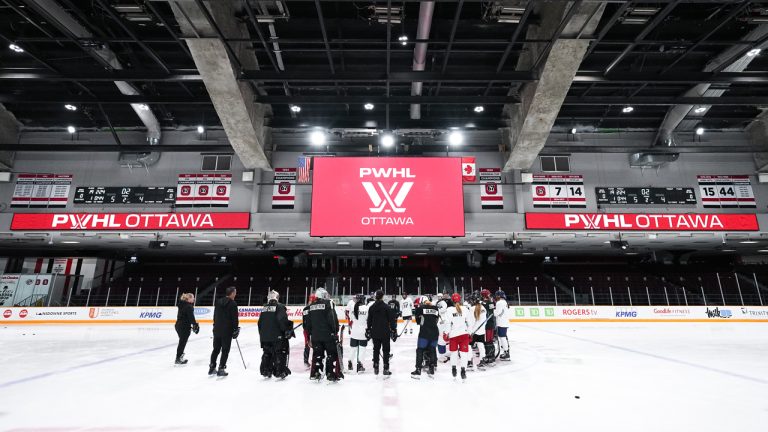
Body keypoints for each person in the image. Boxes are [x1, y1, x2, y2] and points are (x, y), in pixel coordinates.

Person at [305, 287, 343, 381]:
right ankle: (330, 373)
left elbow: (308, 323)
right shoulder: (328, 303)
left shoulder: (311, 306)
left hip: (315, 336)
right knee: (331, 354)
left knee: (318, 355)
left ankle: (317, 372)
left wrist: (309, 336)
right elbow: (333, 319)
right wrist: (335, 331)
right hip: (328, 336)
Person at [258, 290, 294, 379]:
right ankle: (280, 371)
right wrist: (287, 330)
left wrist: (262, 335)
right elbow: (282, 321)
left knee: (267, 353)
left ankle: (266, 370)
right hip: (277, 336)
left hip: (265, 336)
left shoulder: (264, 308)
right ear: (277, 298)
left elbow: (260, 323)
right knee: (280, 352)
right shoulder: (280, 307)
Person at [209, 286, 239, 377]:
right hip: (227, 331)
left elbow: (215, 315)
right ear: (232, 293)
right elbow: (234, 318)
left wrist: (215, 326)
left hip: (217, 329)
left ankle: (212, 367)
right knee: (225, 350)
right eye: (235, 292)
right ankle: (221, 368)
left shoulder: (218, 301)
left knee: (216, 349)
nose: (236, 294)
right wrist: (235, 329)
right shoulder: (233, 303)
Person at [367, 290, 397, 376]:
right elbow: (391, 320)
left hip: (375, 332)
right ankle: (386, 368)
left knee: (376, 350)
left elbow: (369, 321)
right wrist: (394, 330)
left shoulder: (372, 307)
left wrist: (368, 329)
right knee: (386, 350)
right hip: (385, 332)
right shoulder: (387, 307)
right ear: (382, 296)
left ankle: (376, 366)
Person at [411, 295, 439, 379]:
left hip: (424, 333)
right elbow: (436, 320)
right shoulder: (435, 308)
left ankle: (418, 369)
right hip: (434, 332)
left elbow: (418, 321)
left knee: (420, 350)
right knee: (432, 350)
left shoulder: (420, 308)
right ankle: (432, 368)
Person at [443, 293, 470, 380]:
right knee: (464, 354)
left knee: (453, 354)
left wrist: (446, 333)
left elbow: (447, 323)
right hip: (464, 334)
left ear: (452, 300)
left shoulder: (449, 310)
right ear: (460, 300)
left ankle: (454, 369)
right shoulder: (465, 309)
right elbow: (469, 322)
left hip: (453, 335)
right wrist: (470, 332)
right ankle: (463, 370)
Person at [174, 293, 199, 365]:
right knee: (182, 343)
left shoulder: (182, 305)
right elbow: (191, 317)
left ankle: (180, 356)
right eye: (193, 298)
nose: (194, 299)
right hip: (184, 327)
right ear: (189, 299)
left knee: (182, 342)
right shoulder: (189, 306)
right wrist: (195, 325)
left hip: (178, 326)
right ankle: (178, 358)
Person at [348, 293, 370, 373]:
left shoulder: (353, 307)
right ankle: (360, 364)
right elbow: (368, 319)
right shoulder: (367, 308)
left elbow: (351, 317)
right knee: (362, 349)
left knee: (353, 348)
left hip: (354, 331)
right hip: (363, 331)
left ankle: (350, 361)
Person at [467, 293, 487, 370]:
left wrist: (469, 331)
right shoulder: (483, 308)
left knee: (469, 346)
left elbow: (470, 322)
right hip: (481, 331)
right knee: (481, 345)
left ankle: (469, 362)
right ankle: (482, 361)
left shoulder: (472, 309)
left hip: (473, 331)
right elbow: (485, 321)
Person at [436, 292, 453, 363]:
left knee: (442, 338)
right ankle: (444, 355)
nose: (439, 298)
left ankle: (442, 355)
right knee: (444, 337)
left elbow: (442, 310)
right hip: (444, 321)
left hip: (443, 321)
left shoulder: (443, 303)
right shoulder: (441, 303)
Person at [480, 289, 497, 365]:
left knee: (487, 341)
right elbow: (492, 312)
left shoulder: (482, 304)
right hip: (490, 324)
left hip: (486, 325)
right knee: (489, 340)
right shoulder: (490, 302)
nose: (490, 295)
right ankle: (491, 356)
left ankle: (489, 357)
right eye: (488, 294)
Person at [494, 290, 510, 361]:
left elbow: (496, 313)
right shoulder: (504, 302)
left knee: (502, 337)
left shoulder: (499, 303)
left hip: (501, 323)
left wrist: (492, 310)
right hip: (504, 322)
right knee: (503, 337)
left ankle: (506, 353)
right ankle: (506, 351)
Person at [302, 294, 317, 367]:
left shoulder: (305, 308)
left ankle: (305, 361)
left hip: (306, 330)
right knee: (316, 345)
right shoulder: (314, 308)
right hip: (314, 329)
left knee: (307, 345)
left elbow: (304, 320)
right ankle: (314, 360)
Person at [345, 294, 357, 370]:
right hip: (358, 328)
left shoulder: (359, 305)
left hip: (356, 327)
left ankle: (351, 361)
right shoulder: (351, 303)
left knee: (354, 346)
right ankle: (359, 363)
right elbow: (347, 311)